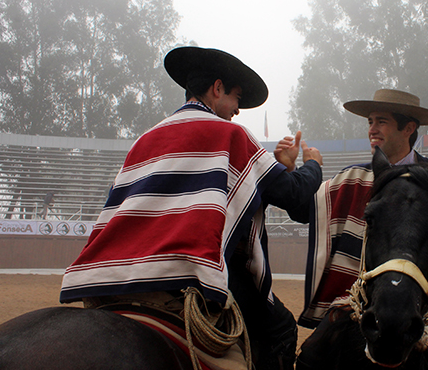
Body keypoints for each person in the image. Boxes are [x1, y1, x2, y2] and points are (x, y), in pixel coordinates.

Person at [60, 47, 324, 370]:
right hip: (185, 276)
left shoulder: (146, 138)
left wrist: (276, 170)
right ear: (217, 89)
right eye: (236, 98)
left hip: (118, 276)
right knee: (281, 326)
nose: (237, 111)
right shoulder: (230, 135)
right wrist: (311, 166)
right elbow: (296, 197)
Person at [290, 89, 428, 370]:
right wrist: (288, 170)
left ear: (408, 128)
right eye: (370, 121)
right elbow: (303, 210)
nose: (372, 128)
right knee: (311, 356)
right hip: (359, 291)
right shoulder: (353, 178)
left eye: (381, 121)